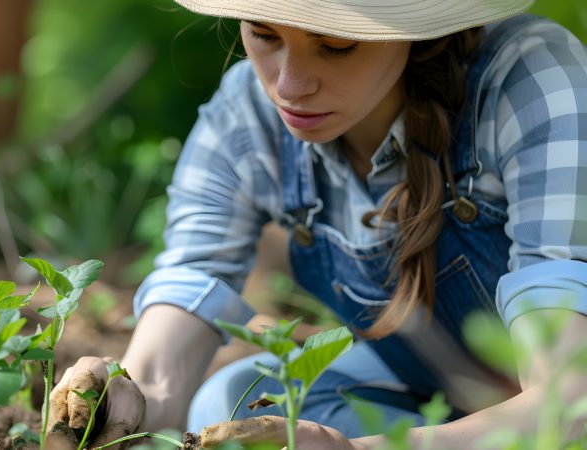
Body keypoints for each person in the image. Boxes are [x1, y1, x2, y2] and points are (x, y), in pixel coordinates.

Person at [51, 0, 587, 448]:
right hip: (435, 405)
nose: (289, 86)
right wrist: (129, 399)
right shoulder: (247, 119)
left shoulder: (530, 81)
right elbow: (185, 302)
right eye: (264, 36)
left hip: (554, 410)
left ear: (415, 25)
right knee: (237, 398)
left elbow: (571, 402)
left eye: (335, 45)